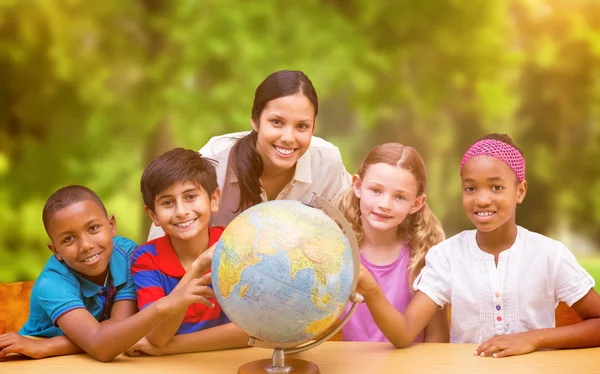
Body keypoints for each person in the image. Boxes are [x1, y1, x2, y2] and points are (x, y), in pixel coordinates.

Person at [359, 133, 600, 357]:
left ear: (520, 191)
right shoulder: (447, 256)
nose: (482, 200)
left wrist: (533, 339)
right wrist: (371, 289)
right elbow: (404, 332)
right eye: (471, 188)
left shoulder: (549, 254)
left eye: (496, 187)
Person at [0, 185, 212, 361]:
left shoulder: (127, 254)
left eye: (93, 228)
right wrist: (163, 306)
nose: (85, 245)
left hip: (81, 357)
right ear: (56, 251)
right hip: (42, 365)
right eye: (68, 239)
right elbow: (103, 347)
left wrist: (51, 346)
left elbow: (118, 330)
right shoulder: (52, 282)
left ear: (111, 226)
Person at [148, 70, 350, 239]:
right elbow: (164, 236)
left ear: (314, 127)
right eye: (277, 122)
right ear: (255, 120)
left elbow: (352, 230)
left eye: (302, 126)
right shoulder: (213, 163)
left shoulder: (327, 163)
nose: (288, 137)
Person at [127, 148, 248, 356]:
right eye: (167, 202)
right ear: (153, 215)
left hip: (231, 364)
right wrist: (197, 267)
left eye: (190, 196)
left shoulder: (236, 243)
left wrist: (169, 348)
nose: (181, 211)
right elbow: (157, 336)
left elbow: (251, 330)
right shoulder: (146, 259)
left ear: (214, 199)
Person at [337, 143, 449, 343]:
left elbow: (437, 337)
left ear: (416, 203)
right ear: (357, 186)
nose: (384, 205)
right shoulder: (334, 249)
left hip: (407, 372)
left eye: (399, 197)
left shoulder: (424, 256)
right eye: (376, 190)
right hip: (347, 370)